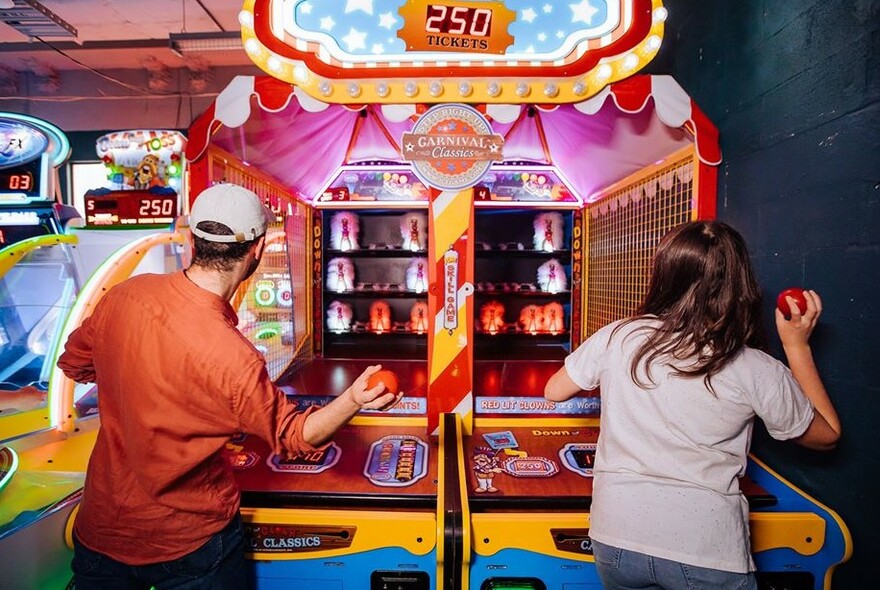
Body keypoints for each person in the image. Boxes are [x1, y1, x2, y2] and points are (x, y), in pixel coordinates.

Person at [57, 184, 401, 590]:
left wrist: (136, 383)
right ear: (257, 249)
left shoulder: (125, 296)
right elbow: (295, 437)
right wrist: (353, 399)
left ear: (191, 239)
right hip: (190, 543)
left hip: (101, 530)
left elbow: (74, 363)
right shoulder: (234, 359)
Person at [544, 220, 840, 590]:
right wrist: (797, 345)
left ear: (664, 275)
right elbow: (826, 436)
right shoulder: (755, 367)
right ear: (740, 286)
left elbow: (554, 390)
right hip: (706, 549)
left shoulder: (620, 336)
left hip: (616, 539)